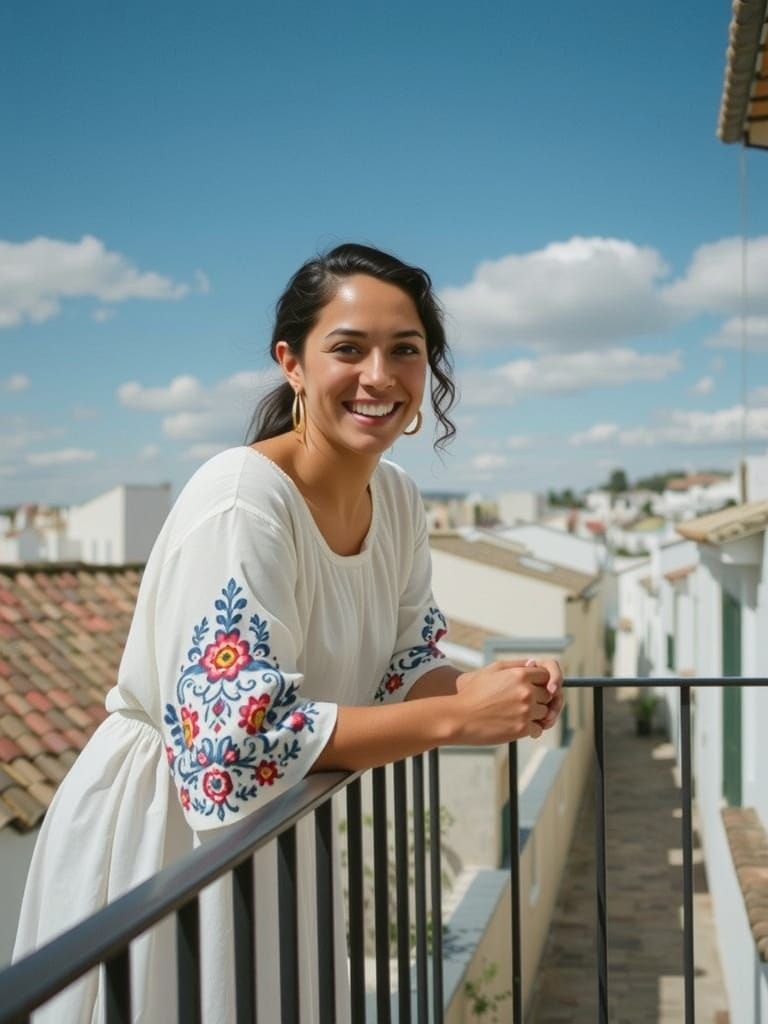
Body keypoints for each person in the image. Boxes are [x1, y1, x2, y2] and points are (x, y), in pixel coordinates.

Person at [14, 242, 563, 1022]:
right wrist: (455, 719)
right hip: (167, 841)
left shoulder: (398, 499)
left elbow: (406, 666)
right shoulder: (243, 500)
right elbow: (232, 741)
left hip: (277, 830)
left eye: (405, 350)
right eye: (348, 348)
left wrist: (487, 691)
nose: (380, 375)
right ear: (292, 364)